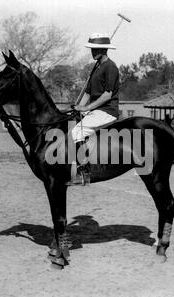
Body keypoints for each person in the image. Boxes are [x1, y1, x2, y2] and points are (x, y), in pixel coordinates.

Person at [66, 33, 120, 186]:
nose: (93, 52)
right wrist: (78, 109)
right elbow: (88, 93)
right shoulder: (96, 68)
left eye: (96, 49)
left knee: (77, 132)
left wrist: (86, 107)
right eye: (92, 49)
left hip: (107, 111)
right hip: (95, 110)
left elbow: (107, 95)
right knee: (69, 123)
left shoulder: (111, 67)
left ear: (104, 49)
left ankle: (85, 173)